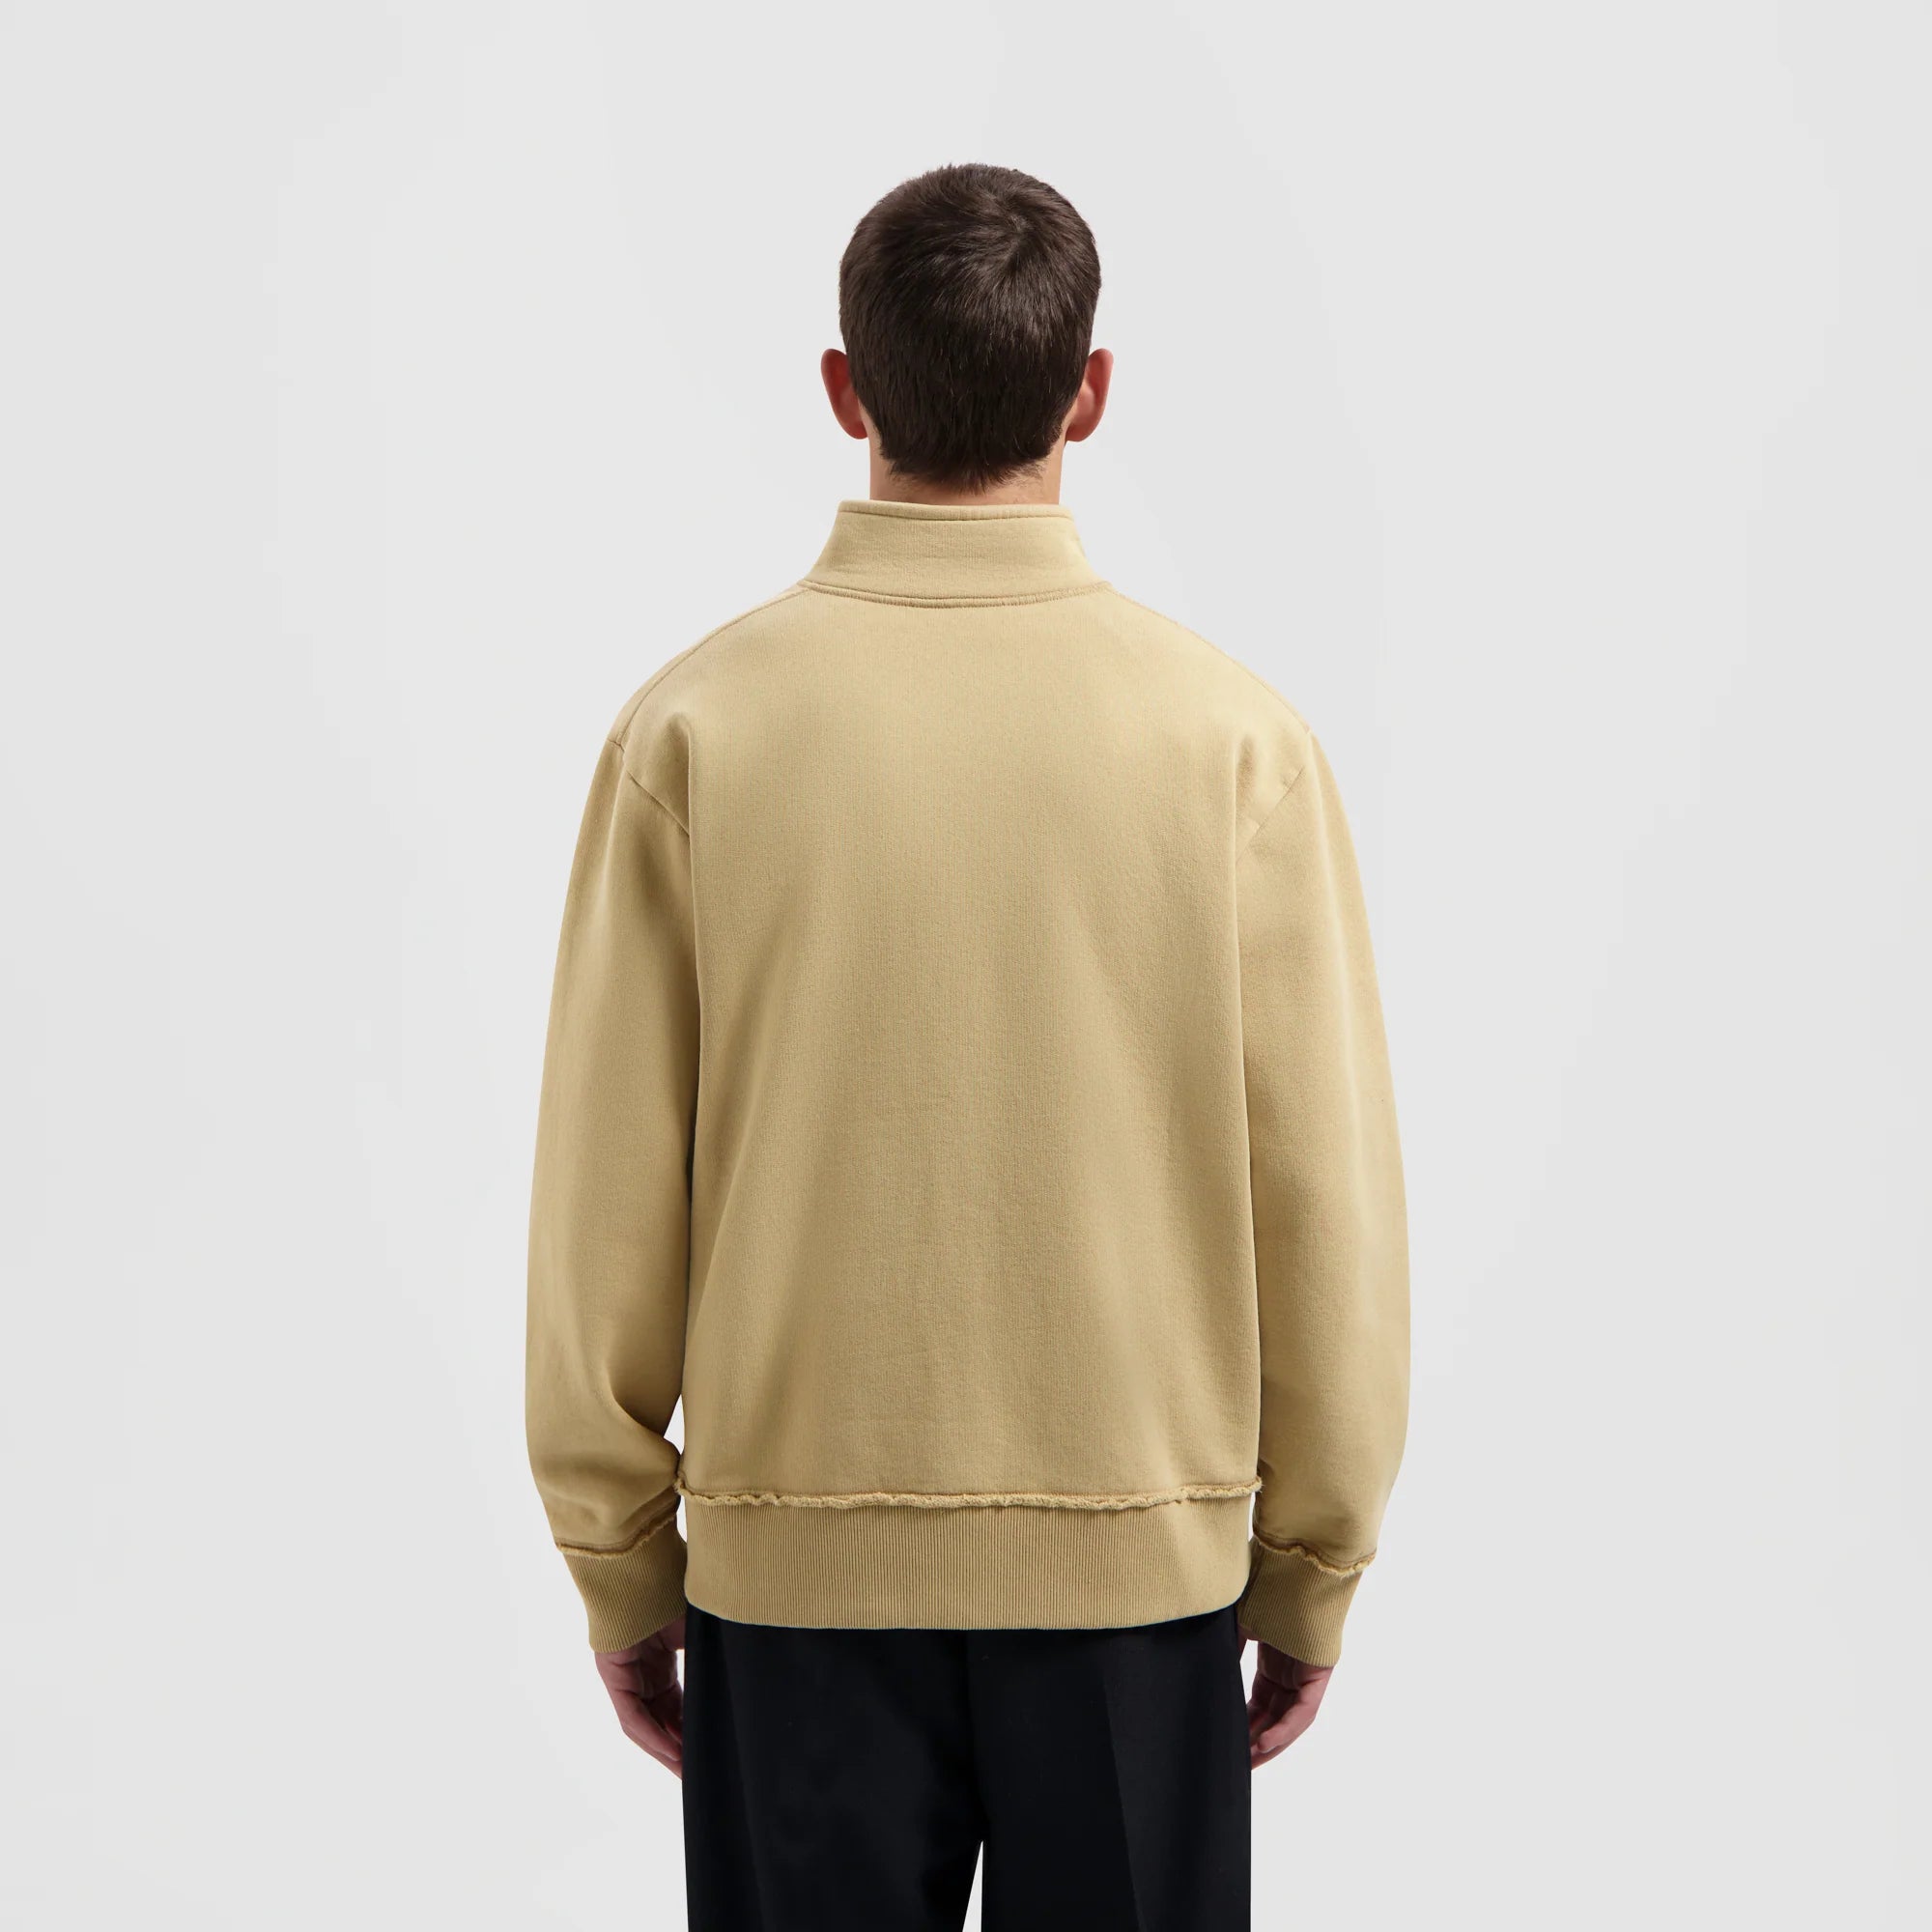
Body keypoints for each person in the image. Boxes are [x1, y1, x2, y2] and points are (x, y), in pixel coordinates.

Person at [526, 162, 1408, 1931]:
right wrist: (1311, 1563)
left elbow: (602, 1198)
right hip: (1139, 1586)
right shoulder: (1232, 747)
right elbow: (1322, 1200)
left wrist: (622, 1560)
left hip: (791, 1591)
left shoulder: (695, 733)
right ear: (1091, 393)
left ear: (844, 389)